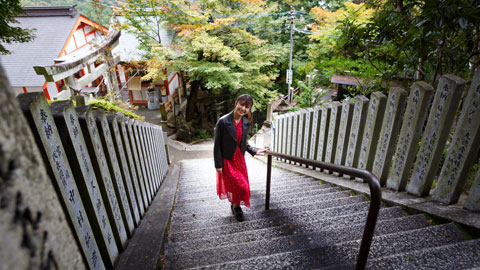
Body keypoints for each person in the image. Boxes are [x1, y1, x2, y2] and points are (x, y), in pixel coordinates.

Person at [214, 94, 266, 221]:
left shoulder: (245, 121)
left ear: (249, 109)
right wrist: (218, 164)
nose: (243, 108)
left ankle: (235, 206)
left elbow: (243, 142)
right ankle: (236, 207)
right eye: (241, 104)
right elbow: (217, 145)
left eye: (247, 107)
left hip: (240, 159)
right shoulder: (223, 121)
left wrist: (253, 151)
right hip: (228, 159)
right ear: (236, 103)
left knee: (242, 187)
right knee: (239, 185)